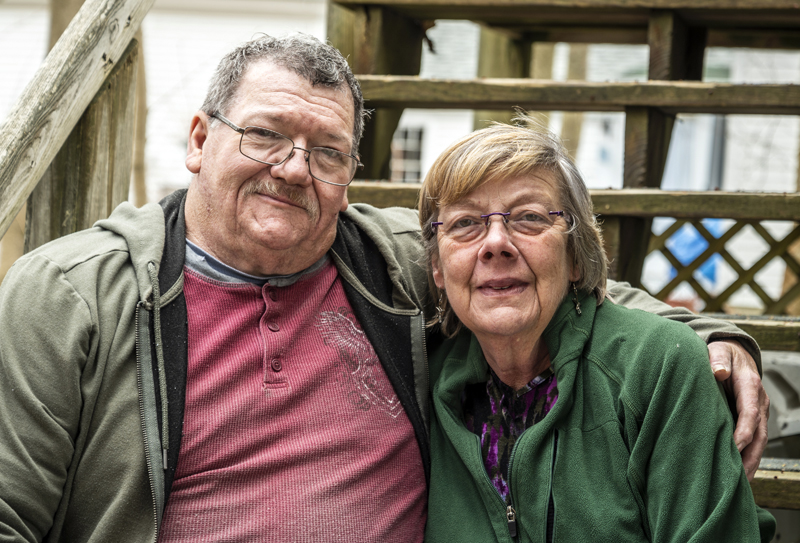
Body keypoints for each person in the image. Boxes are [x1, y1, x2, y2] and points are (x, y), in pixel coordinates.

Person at [0, 34, 767, 542]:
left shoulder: (389, 259)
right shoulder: (71, 296)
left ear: (348, 176)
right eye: (266, 134)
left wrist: (714, 336)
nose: (294, 168)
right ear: (202, 139)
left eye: (327, 150)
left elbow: (552, 279)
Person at [418, 120, 776, 542]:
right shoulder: (424, 378)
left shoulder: (660, 368)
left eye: (529, 218)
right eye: (464, 224)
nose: (496, 242)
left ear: (576, 257)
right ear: (437, 268)